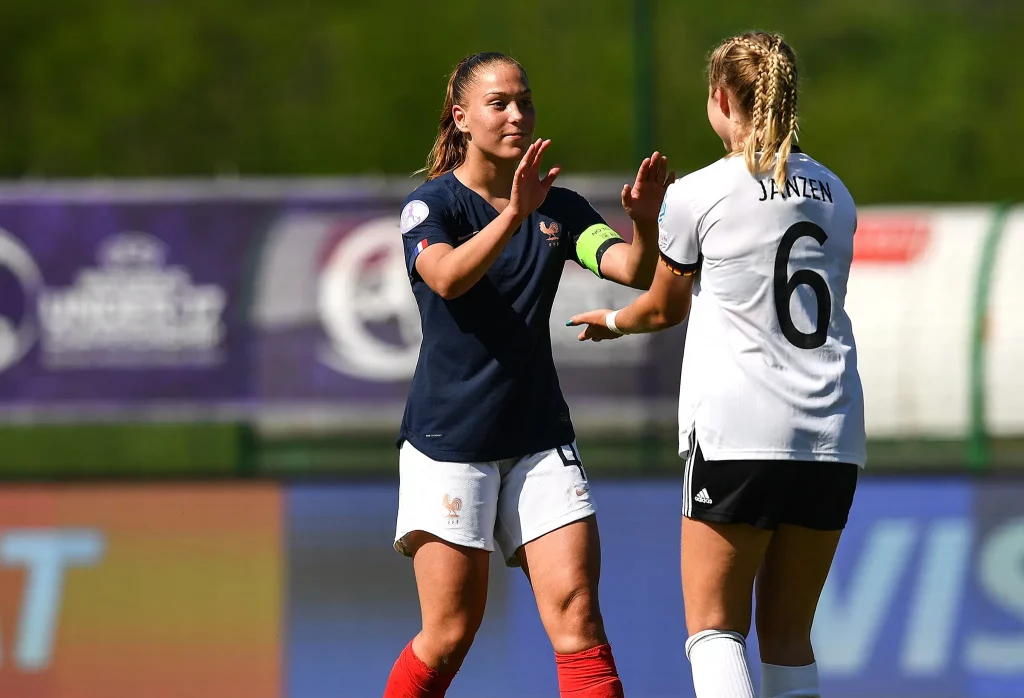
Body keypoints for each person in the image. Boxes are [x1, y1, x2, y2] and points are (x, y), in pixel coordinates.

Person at [569, 32, 866, 698]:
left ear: (723, 99)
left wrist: (612, 320)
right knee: (789, 639)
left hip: (740, 430)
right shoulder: (838, 195)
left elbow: (662, 309)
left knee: (715, 632)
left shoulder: (698, 194)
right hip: (832, 432)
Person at [384, 51, 674, 698]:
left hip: (540, 437)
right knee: (450, 635)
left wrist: (646, 221)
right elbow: (448, 279)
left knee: (578, 618)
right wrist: (514, 213)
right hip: (450, 442)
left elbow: (630, 269)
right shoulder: (431, 207)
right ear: (460, 118)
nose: (517, 114)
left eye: (525, 101)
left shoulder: (558, 207)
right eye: (499, 103)